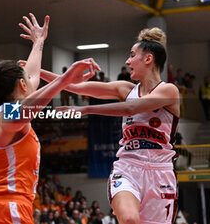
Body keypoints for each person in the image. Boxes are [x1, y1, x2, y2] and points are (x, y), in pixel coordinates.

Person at [41, 27, 179, 224]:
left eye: (132, 56)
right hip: (128, 167)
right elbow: (73, 86)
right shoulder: (125, 89)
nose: (127, 61)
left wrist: (86, 110)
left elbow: (132, 108)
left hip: (161, 173)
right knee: (130, 219)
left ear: (148, 59)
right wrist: (35, 71)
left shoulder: (169, 91)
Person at [0, 13, 97, 223]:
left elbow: (33, 77)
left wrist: (38, 41)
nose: (32, 80)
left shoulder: (1, 111)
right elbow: (27, 108)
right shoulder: (6, 114)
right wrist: (65, 79)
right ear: (21, 85)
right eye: (26, 79)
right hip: (6, 211)